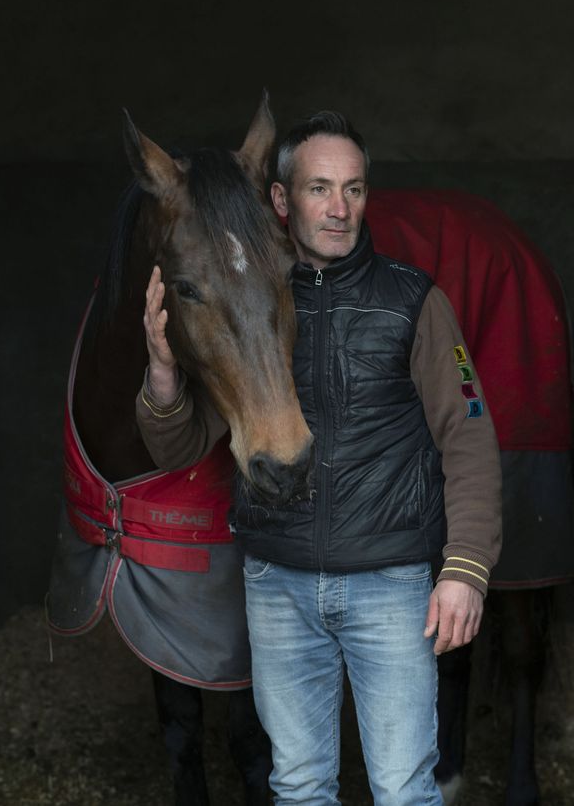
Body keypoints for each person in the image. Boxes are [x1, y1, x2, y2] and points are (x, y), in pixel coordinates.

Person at [136, 111, 502, 806]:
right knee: (299, 786)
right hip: (278, 583)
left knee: (401, 789)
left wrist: (467, 568)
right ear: (280, 201)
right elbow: (181, 447)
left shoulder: (413, 301)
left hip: (390, 584)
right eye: (320, 188)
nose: (339, 208)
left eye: (355, 190)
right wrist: (160, 376)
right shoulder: (252, 305)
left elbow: (471, 433)